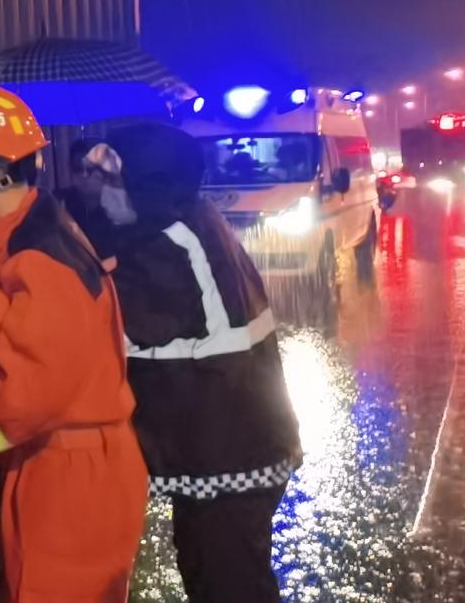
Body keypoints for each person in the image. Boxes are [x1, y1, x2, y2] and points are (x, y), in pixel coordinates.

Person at [0, 85, 148, 603]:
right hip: (56, 460)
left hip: (70, 471)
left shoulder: (41, 260)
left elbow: (29, 395)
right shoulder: (23, 233)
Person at [86, 123, 301, 603]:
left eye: (112, 181)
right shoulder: (190, 219)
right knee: (223, 575)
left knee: (228, 585)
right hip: (233, 447)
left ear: (149, 183)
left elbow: (115, 335)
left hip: (225, 452)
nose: (103, 192)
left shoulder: (171, 245)